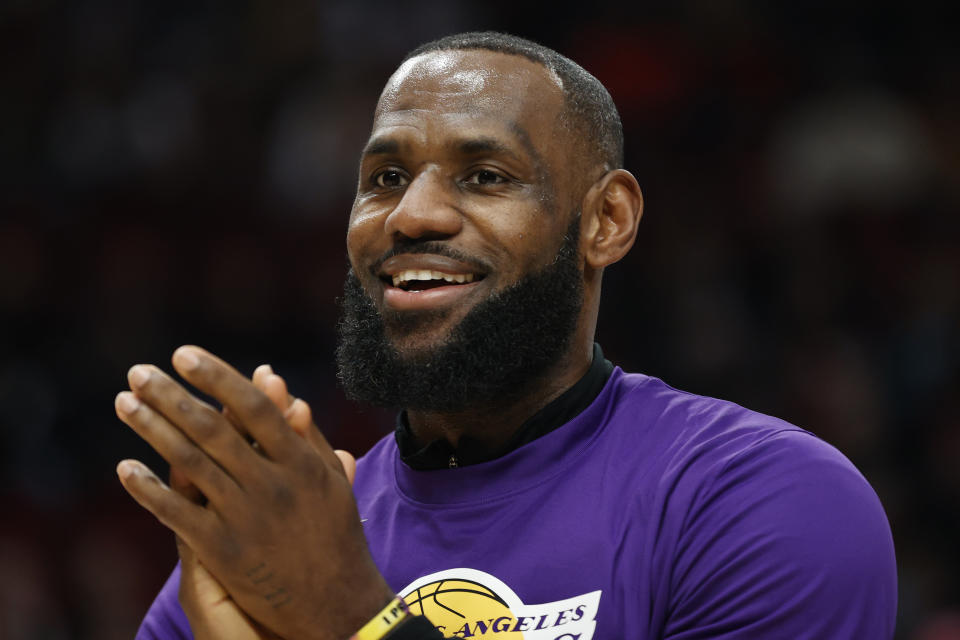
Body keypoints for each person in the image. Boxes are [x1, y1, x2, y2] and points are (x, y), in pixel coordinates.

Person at [116, 32, 897, 640]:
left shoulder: (755, 500)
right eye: (384, 178)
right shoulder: (283, 534)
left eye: (485, 175)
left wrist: (350, 615)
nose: (412, 215)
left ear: (606, 220)